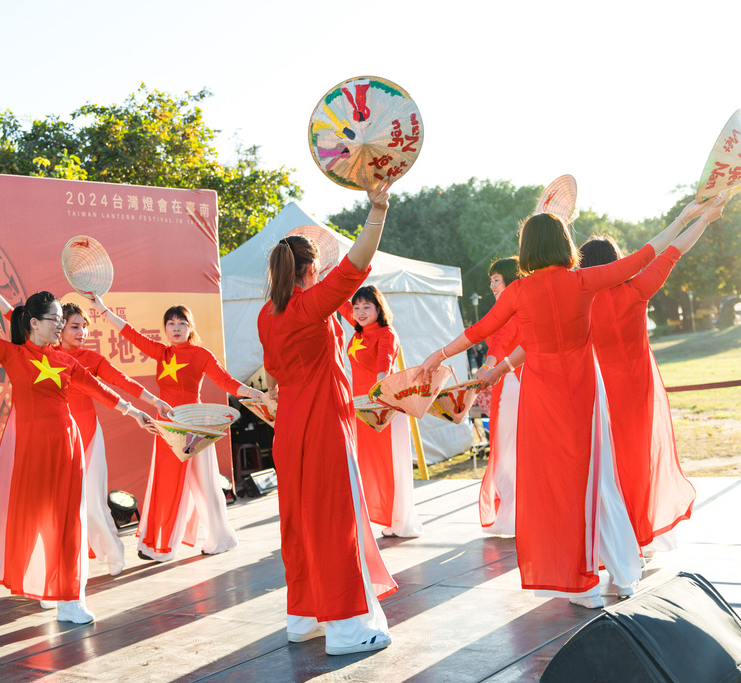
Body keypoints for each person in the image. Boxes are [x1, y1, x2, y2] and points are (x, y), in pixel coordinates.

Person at [417, 201, 709, 609]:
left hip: (542, 398)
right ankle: (623, 572)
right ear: (564, 243)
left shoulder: (518, 292)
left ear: (526, 249)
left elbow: (479, 330)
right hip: (586, 394)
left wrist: (439, 356)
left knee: (558, 488)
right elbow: (646, 255)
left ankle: (581, 581)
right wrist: (686, 217)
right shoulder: (583, 281)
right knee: (599, 482)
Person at [0, 279, 153, 624]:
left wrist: (134, 413)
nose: (60, 325)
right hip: (32, 450)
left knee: (68, 523)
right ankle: (46, 584)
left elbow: (98, 388)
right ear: (33, 323)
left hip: (66, 446)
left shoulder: (64, 360)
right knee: (38, 520)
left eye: (61, 319)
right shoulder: (12, 354)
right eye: (55, 319)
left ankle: (70, 599)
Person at [258, 180, 398, 656]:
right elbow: (356, 264)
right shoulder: (309, 306)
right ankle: (345, 628)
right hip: (322, 428)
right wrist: (377, 211)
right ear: (310, 270)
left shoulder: (267, 315)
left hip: (290, 429)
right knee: (336, 522)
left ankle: (304, 618)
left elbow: (273, 376)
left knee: (300, 525)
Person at [578, 199, 725, 557]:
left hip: (596, 391)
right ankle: (638, 533)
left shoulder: (578, 302)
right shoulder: (636, 290)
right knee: (637, 462)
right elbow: (673, 251)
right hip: (636, 387)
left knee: (605, 465)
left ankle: (610, 535)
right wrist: (704, 219)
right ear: (617, 261)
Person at [90, 297, 267, 561]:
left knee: (206, 485)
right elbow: (130, 334)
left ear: (190, 327)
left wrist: (257, 394)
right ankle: (159, 545)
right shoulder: (162, 353)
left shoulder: (201, 355)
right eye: (171, 323)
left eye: (181, 323)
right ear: (165, 328)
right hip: (169, 428)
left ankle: (222, 538)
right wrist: (102, 309)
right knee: (166, 483)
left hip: (195, 427)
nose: (176, 328)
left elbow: (226, 382)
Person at [58, 302, 172, 577]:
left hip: (88, 434)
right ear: (58, 327)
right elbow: (16, 318)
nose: (82, 332)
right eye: (74, 327)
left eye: (84, 326)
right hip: (58, 436)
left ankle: (113, 554)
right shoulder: (45, 356)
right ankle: (67, 564)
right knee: (61, 505)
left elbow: (122, 381)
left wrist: (155, 402)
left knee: (94, 501)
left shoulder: (91, 359)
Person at [339, 285, 423, 538]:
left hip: (384, 408)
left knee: (391, 465)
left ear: (379, 309)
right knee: (369, 464)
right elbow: (338, 300)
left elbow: (383, 367)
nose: (360, 312)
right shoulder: (359, 330)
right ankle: (382, 517)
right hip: (361, 408)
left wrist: (377, 398)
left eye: (367, 307)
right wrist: (323, 276)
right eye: (357, 307)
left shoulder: (386, 333)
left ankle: (401, 521)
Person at [474, 258, 522, 536]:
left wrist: (486, 366)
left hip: (515, 384)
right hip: (505, 383)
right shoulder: (501, 310)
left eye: (496, 280)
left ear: (510, 279)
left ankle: (516, 514)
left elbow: (502, 342)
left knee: (509, 449)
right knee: (506, 449)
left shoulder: (514, 311)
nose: (491, 285)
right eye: (490, 280)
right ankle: (512, 512)